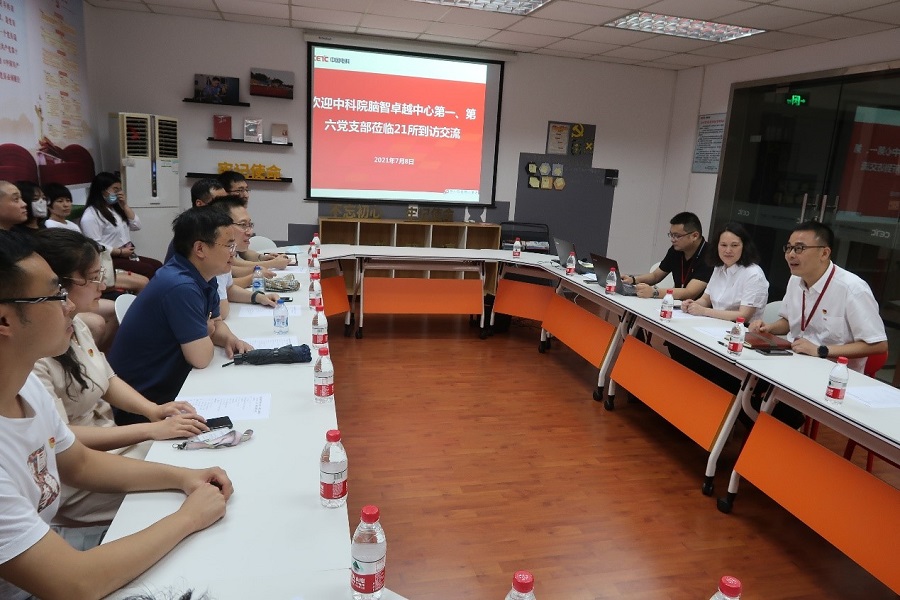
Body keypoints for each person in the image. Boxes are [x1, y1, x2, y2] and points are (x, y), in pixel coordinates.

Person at [0, 229, 232, 600]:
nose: (70, 306)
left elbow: (80, 463)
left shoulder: (23, 385)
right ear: (5, 320)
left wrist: (184, 477)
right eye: (55, 294)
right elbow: (75, 584)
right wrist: (188, 517)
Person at [31, 228, 209, 526]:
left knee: (196, 455)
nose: (103, 285)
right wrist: (150, 429)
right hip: (78, 477)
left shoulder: (76, 324)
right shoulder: (34, 355)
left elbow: (107, 379)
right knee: (191, 484)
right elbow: (64, 439)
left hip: (110, 447)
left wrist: (153, 410)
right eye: (93, 277)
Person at [107, 207, 252, 424]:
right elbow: (201, 358)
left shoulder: (205, 275)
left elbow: (216, 322)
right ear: (200, 249)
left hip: (171, 386)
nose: (233, 252)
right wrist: (208, 330)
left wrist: (229, 338)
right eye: (228, 245)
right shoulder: (180, 286)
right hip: (145, 405)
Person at [750, 221, 888, 373]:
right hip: (793, 361)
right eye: (788, 248)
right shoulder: (795, 279)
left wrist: (821, 350)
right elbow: (790, 321)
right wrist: (769, 328)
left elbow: (879, 345)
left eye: (799, 248)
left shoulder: (852, 289)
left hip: (834, 373)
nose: (791, 254)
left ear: (824, 253)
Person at [79, 172, 162, 280]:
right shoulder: (91, 215)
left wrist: (124, 205)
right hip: (109, 258)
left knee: (158, 265)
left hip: (126, 254)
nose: (119, 193)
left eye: (120, 189)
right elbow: (95, 245)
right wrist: (120, 252)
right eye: (115, 189)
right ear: (102, 190)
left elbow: (136, 225)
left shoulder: (115, 209)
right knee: (147, 270)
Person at [681, 221, 769, 322]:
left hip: (740, 328)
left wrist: (704, 311)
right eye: (723, 245)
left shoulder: (753, 274)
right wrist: (692, 305)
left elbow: (744, 315)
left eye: (734, 245)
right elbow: (705, 299)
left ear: (744, 247)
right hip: (716, 323)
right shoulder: (719, 268)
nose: (728, 250)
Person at [209, 195, 279, 318]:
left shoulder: (226, 254)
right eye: (243, 225)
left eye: (249, 224)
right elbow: (221, 311)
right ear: (223, 226)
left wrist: (258, 297)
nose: (250, 232)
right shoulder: (215, 258)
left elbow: (229, 289)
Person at [622, 212, 713, 301]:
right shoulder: (676, 250)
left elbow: (690, 293)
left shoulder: (709, 255)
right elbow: (655, 276)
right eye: (671, 235)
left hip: (697, 307)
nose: (672, 240)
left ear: (694, 236)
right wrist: (632, 280)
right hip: (676, 303)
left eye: (677, 236)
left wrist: (654, 292)